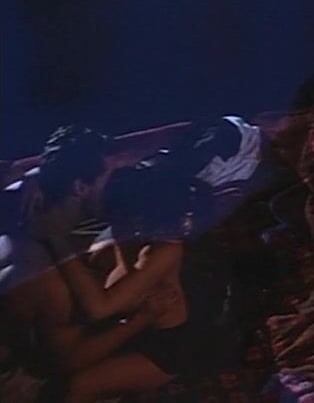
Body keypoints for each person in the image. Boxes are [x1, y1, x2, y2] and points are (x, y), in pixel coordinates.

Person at [42, 163, 238, 403]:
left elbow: (99, 309)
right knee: (60, 351)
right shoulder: (124, 230)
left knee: (78, 387)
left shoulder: (166, 248)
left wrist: (55, 239)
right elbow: (114, 274)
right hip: (135, 323)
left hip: (166, 348)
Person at [0, 125, 169, 401]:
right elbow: (63, 362)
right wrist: (141, 320)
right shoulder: (52, 282)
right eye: (110, 178)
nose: (119, 186)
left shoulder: (20, 206)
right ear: (79, 187)